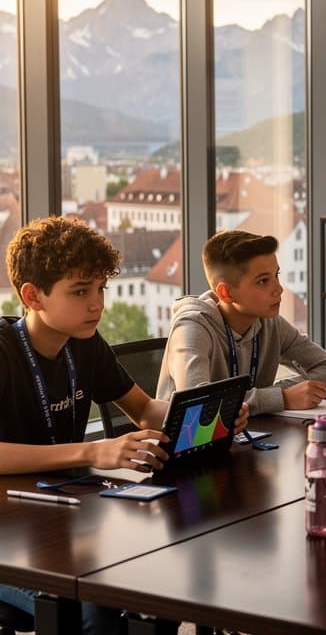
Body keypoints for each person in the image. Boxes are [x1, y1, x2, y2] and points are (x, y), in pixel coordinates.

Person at [0, 216, 246, 634]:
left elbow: (145, 410)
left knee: (156, 587)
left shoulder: (84, 344)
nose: (97, 304)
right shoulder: (4, 351)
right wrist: (94, 451)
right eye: (81, 291)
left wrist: (207, 415)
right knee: (97, 607)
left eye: (101, 289)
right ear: (33, 296)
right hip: (10, 535)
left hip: (58, 516)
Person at [158, 229, 326, 415]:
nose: (279, 289)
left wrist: (278, 394)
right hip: (188, 437)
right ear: (226, 293)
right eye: (263, 281)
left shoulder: (270, 323)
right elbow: (196, 403)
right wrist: (281, 398)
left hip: (252, 431)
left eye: (276, 275)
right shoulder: (192, 327)